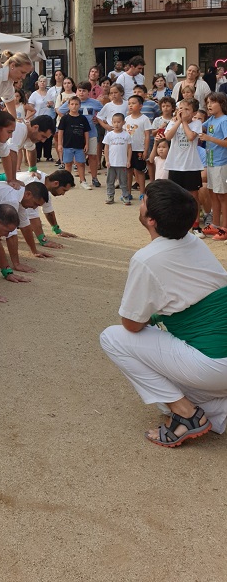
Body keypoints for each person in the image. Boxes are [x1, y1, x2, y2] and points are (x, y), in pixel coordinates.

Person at [100, 180, 227, 447]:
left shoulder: (147, 259)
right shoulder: (194, 242)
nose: (141, 202)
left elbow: (132, 325)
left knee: (113, 338)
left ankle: (186, 415)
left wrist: (153, 316)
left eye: (143, 201)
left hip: (216, 366)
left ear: (151, 221)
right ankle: (215, 408)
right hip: (218, 364)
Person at [57, 83, 103, 186]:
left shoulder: (95, 102)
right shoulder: (73, 101)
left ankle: (94, 178)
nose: (81, 93)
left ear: (88, 92)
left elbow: (104, 112)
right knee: (78, 158)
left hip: (90, 133)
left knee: (92, 156)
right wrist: (69, 121)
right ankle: (75, 179)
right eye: (80, 90)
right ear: (77, 91)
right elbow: (59, 111)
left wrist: (98, 118)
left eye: (84, 91)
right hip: (75, 135)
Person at [164, 99, 204, 215]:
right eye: (181, 108)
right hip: (175, 165)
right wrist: (178, 122)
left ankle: (195, 225)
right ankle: (176, 221)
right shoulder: (173, 122)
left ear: (194, 112)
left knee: (193, 195)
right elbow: (168, 136)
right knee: (174, 195)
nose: (183, 111)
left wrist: (184, 122)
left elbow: (191, 137)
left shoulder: (196, 123)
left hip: (191, 166)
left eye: (187, 109)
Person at [199, 92, 227, 240]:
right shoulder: (210, 120)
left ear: (221, 103)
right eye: (207, 102)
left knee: (223, 196)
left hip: (221, 163)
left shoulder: (224, 120)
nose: (209, 105)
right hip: (210, 163)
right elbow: (198, 126)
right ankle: (215, 225)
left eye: (212, 102)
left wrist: (209, 138)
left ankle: (225, 228)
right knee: (213, 195)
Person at [56, 96, 90, 188]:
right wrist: (59, 144)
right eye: (72, 104)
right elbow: (60, 131)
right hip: (67, 145)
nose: (74, 106)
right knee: (68, 164)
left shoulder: (83, 118)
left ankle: (83, 181)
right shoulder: (65, 118)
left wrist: (87, 143)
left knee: (81, 163)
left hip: (79, 145)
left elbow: (86, 132)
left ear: (79, 105)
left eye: (76, 104)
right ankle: (68, 182)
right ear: (68, 105)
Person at [124, 94, 152, 199]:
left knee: (139, 171)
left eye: (133, 103)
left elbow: (147, 135)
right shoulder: (126, 119)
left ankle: (142, 193)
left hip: (139, 149)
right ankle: (128, 192)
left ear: (140, 106)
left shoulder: (144, 119)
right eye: (129, 103)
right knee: (128, 171)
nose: (131, 105)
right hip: (128, 150)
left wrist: (145, 150)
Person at [103, 112, 132, 205]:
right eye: (114, 122)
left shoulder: (126, 135)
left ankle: (125, 196)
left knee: (123, 181)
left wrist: (128, 160)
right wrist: (107, 160)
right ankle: (110, 196)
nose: (116, 124)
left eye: (119, 122)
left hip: (122, 163)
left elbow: (129, 148)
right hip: (111, 163)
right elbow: (106, 148)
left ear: (123, 122)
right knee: (110, 181)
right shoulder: (109, 135)